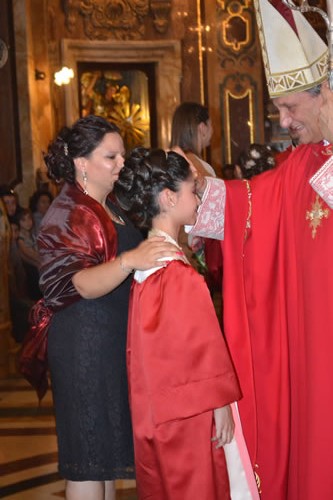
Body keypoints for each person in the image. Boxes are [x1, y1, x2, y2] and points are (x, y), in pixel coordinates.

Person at [176, 0, 333, 498]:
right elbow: (252, 205)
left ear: (326, 92)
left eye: (290, 108)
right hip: (315, 350)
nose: (284, 121)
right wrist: (192, 190)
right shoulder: (303, 160)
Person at [22, 115, 179, 500]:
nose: (120, 164)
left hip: (108, 344)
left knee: (106, 461)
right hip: (82, 347)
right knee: (88, 460)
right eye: (111, 157)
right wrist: (130, 261)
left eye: (121, 155)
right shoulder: (67, 212)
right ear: (81, 162)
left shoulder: (108, 204)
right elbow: (79, 284)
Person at [114, 148, 259, 500]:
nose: (197, 199)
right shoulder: (177, 275)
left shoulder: (150, 264)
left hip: (159, 411)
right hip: (190, 415)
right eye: (193, 190)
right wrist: (220, 405)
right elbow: (199, 348)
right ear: (168, 197)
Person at [170, 102, 222, 292]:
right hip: (193, 253)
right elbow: (215, 217)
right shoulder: (200, 168)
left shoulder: (167, 160)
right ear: (202, 128)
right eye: (211, 124)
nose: (213, 130)